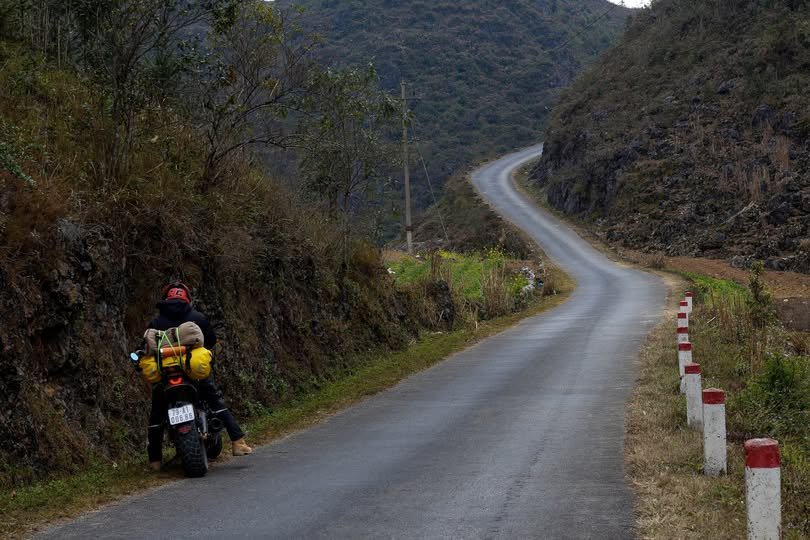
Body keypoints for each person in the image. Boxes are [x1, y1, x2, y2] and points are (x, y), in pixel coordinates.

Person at [145, 281, 252, 470]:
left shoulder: (156, 322)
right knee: (215, 401)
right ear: (187, 297)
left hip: (166, 374)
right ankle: (237, 442)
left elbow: (146, 348)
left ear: (165, 298)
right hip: (192, 371)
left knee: (156, 415)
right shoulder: (197, 317)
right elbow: (210, 340)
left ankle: (155, 461)